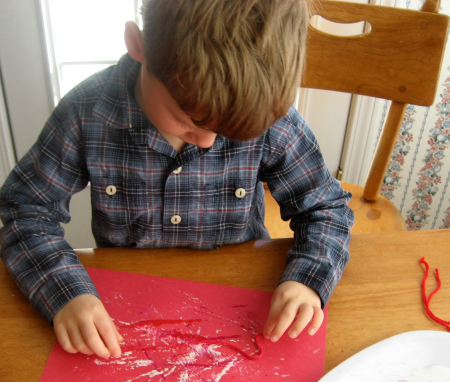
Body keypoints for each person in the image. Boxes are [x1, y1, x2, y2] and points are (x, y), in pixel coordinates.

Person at [0, 0, 354, 360]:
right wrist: (66, 293)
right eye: (189, 121)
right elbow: (26, 210)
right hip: (123, 311)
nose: (207, 142)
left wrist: (308, 279)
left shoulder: (274, 120)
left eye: (227, 132)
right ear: (138, 46)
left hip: (240, 302)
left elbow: (326, 208)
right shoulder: (86, 112)